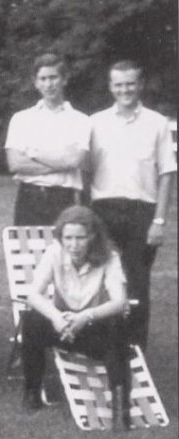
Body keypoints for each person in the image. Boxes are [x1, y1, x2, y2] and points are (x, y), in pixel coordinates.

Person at [88, 60, 176, 349]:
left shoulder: (158, 123)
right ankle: (103, 345)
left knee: (137, 283)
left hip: (142, 212)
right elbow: (84, 169)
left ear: (140, 85)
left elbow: (166, 173)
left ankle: (135, 351)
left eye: (130, 84)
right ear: (110, 87)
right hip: (103, 209)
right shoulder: (96, 122)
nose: (124, 89)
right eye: (118, 84)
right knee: (103, 278)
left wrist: (159, 221)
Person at [21, 205, 130, 429]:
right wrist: (56, 318)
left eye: (80, 238)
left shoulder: (110, 256)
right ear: (61, 236)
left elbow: (119, 301)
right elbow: (32, 294)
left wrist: (85, 317)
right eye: (68, 237)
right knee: (31, 319)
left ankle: (121, 409)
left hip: (93, 329)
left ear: (92, 236)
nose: (73, 245)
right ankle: (32, 390)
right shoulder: (54, 252)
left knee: (118, 325)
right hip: (63, 326)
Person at [5, 53, 90, 225]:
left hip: (64, 199)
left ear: (64, 79)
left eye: (53, 78)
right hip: (29, 198)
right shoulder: (21, 119)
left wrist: (33, 154)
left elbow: (74, 161)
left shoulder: (81, 120)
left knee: (63, 250)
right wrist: (61, 165)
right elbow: (15, 164)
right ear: (36, 83)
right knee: (28, 250)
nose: (48, 84)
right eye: (43, 79)